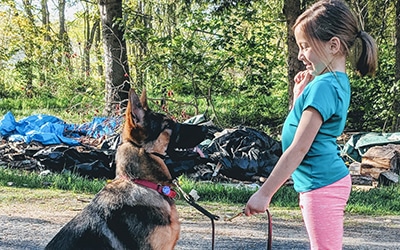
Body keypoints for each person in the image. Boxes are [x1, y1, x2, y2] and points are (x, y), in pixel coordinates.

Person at [244, 0, 378, 249]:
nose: (300, 55)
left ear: (333, 45)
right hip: (319, 183)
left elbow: (298, 148)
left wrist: (265, 193)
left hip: (322, 185)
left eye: (305, 46)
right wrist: (298, 97)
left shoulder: (324, 87)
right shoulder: (332, 82)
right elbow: (303, 129)